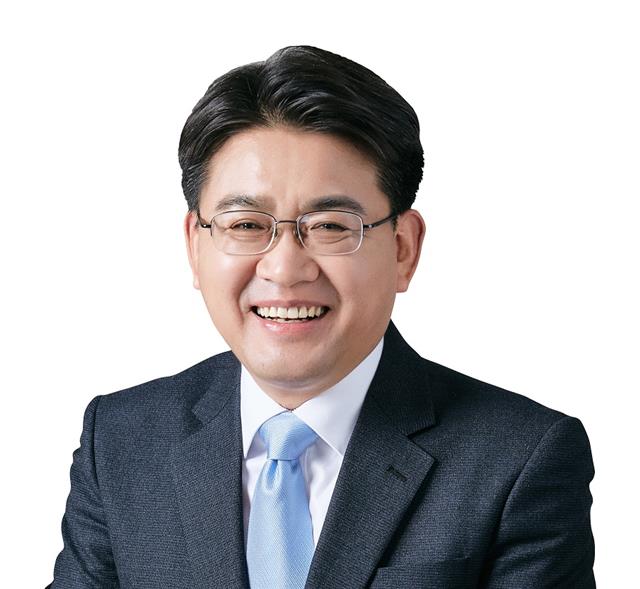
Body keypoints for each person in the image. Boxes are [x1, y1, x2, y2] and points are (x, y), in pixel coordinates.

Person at [48, 46, 595, 588]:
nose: (285, 269)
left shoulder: (520, 460)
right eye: (246, 225)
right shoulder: (121, 441)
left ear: (403, 248)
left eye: (331, 226)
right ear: (195, 246)